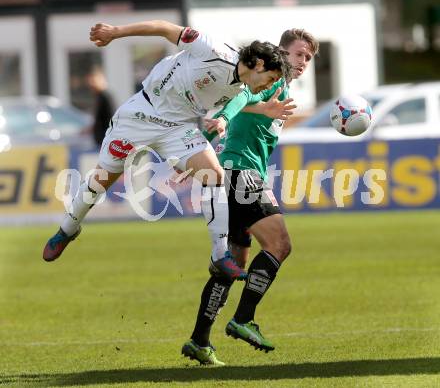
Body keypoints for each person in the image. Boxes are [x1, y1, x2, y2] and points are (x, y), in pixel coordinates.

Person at [42, 19, 294, 282]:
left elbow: (238, 102)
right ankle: (67, 229)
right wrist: (115, 33)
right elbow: (164, 28)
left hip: (177, 128)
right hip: (141, 114)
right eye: (271, 78)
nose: (269, 85)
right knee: (100, 182)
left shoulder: (242, 87)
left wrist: (250, 113)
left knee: (214, 175)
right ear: (260, 65)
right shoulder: (214, 50)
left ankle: (220, 255)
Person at [182, 28, 319, 365]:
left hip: (231, 172)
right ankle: (242, 319)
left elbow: (239, 104)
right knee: (279, 245)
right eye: (299, 54)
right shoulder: (273, 79)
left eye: (309, 58)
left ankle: (199, 340)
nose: (303, 62)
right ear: (282, 53)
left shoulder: (276, 86)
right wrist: (224, 118)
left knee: (233, 264)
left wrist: (199, 144)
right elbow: (240, 98)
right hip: (241, 174)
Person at [86, 68, 115, 147]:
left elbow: (111, 120)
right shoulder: (99, 97)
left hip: (105, 141)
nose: (91, 85)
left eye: (94, 81)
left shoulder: (105, 97)